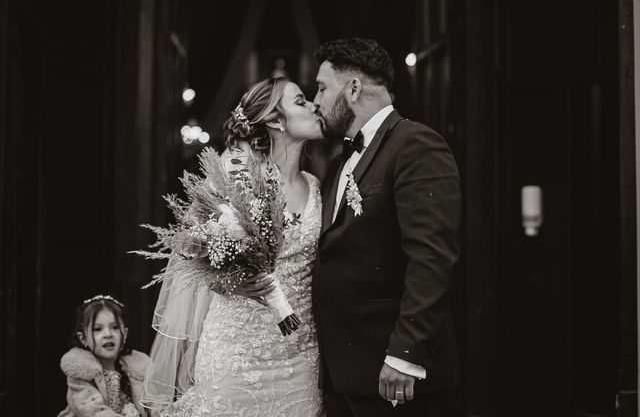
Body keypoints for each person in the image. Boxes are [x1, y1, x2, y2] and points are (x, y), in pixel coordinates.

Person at [142, 77, 325, 416]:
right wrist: (231, 281)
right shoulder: (235, 175)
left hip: (300, 358)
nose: (314, 105)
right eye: (301, 101)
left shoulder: (316, 187)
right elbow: (190, 255)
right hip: (235, 353)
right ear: (274, 120)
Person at [312, 37, 462, 417]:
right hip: (341, 374)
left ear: (354, 88)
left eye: (321, 88)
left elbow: (432, 257)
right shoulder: (336, 165)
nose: (316, 101)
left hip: (393, 375)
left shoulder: (416, 145)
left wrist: (404, 355)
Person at [58, 295, 154, 417]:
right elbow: (93, 411)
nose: (108, 334)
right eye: (98, 329)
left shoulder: (139, 369)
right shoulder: (80, 373)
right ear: (83, 339)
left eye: (114, 327)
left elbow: (154, 404)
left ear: (124, 333)